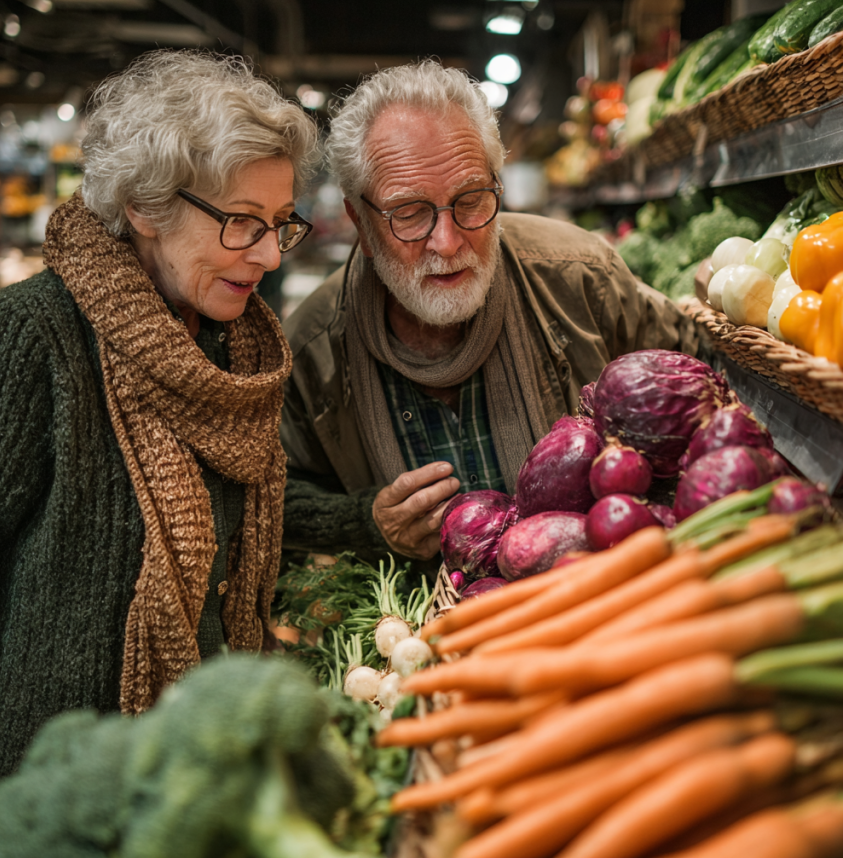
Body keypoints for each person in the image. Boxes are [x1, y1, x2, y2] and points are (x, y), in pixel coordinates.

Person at [0, 50, 317, 799]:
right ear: (144, 206)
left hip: (197, 781)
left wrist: (367, 519)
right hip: (47, 796)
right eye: (241, 223)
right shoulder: (32, 336)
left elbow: (236, 500)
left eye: (281, 225)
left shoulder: (236, 348)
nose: (265, 255)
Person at [280, 60, 697, 566]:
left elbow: (696, 384)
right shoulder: (312, 349)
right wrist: (365, 523)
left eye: (471, 199)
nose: (448, 241)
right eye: (409, 213)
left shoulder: (580, 277)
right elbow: (278, 498)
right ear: (360, 223)